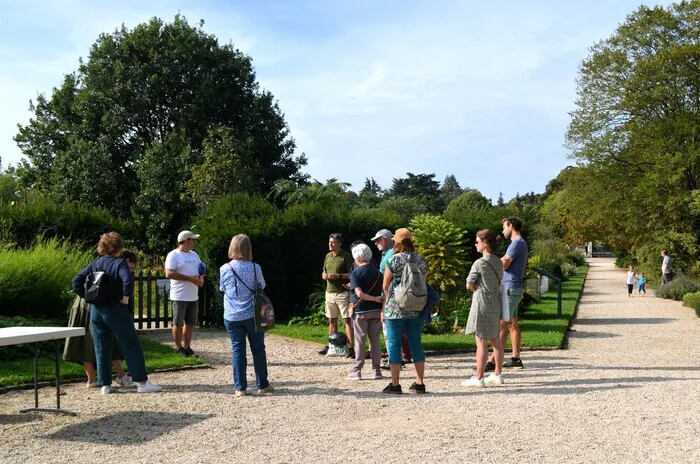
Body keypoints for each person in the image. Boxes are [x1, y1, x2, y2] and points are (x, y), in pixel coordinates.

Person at [72, 232, 161, 394]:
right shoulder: (120, 263)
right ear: (118, 246)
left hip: (96, 311)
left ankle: (105, 385)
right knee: (131, 343)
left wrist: (87, 297)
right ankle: (142, 382)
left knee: (101, 346)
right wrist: (125, 297)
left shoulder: (95, 263)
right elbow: (127, 280)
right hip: (115, 309)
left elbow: (76, 281)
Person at [219, 234, 272, 397]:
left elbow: (222, 288)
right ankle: (262, 384)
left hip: (232, 314)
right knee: (258, 349)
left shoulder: (224, 268)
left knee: (237, 350)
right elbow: (261, 286)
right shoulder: (255, 267)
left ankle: (240, 387)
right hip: (252, 314)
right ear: (248, 248)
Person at [381, 228, 428, 394]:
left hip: (395, 308)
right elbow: (423, 281)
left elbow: (385, 285)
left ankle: (395, 384)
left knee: (394, 345)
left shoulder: (393, 260)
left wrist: (391, 298)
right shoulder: (420, 260)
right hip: (414, 308)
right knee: (416, 343)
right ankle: (419, 383)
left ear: (397, 242)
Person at [462, 230, 506, 387]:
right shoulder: (499, 262)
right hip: (495, 302)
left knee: (480, 341)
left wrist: (474, 288)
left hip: (482, 302)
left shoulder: (479, 263)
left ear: (485, 243)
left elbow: (469, 283)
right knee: (496, 339)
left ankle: (479, 377)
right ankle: (497, 374)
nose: (475, 244)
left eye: (477, 241)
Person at [488, 216, 528, 371]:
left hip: (510, 288)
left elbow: (504, 264)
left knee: (502, 323)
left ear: (511, 226)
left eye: (504, 227)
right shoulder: (520, 243)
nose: (503, 231)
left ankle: (492, 362)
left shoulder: (516, 243)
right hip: (514, 287)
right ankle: (516, 358)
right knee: (512, 322)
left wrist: (490, 261)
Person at [372, 229, 412, 369]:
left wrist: (385, 301)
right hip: (406, 296)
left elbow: (386, 283)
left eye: (378, 240)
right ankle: (401, 357)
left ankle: (395, 360)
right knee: (404, 329)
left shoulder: (392, 256)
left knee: (390, 329)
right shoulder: (414, 257)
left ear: (387, 239)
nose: (376, 243)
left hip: (393, 296)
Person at [347, 243, 384, 381]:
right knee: (375, 341)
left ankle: (357, 370)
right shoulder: (378, 273)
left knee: (360, 340)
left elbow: (360, 294)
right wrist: (377, 299)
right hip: (376, 310)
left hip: (361, 311)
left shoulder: (355, 273)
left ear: (356, 258)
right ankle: (377, 370)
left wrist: (373, 298)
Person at [165, 230, 205, 357]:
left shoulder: (194, 255)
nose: (194, 242)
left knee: (190, 323)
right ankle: (178, 347)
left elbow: (201, 269)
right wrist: (189, 278)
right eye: (193, 240)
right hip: (179, 295)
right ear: (187, 240)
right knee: (178, 322)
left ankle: (187, 346)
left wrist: (201, 278)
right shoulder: (173, 255)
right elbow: (169, 273)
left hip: (193, 295)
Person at [318, 233, 354, 358]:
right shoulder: (328, 256)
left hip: (342, 293)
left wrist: (338, 276)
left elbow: (352, 274)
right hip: (329, 292)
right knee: (332, 320)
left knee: (347, 320)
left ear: (339, 244)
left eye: (333, 242)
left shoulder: (346, 256)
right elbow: (324, 270)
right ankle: (331, 345)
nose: (330, 244)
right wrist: (324, 274)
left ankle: (350, 347)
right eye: (329, 242)